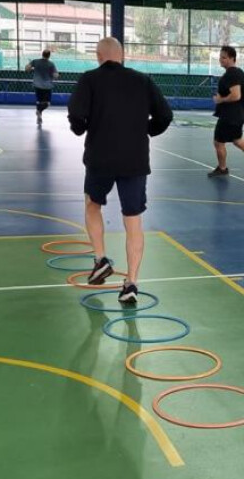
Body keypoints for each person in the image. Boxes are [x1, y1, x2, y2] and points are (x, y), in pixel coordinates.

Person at [68, 37, 173, 302]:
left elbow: (76, 116)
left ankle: (100, 258)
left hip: (100, 158)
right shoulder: (143, 80)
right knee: (133, 219)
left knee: (92, 204)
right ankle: (131, 283)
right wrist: (145, 130)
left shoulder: (89, 79)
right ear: (122, 55)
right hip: (134, 160)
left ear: (98, 56)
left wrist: (82, 128)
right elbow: (165, 115)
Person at [207, 46, 244, 181]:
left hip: (230, 116)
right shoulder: (237, 72)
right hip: (236, 115)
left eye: (224, 57)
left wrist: (220, 99)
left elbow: (236, 95)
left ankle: (222, 169)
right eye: (220, 57)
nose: (220, 59)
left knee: (218, 142)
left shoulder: (232, 74)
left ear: (232, 58)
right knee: (237, 140)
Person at [26, 49, 59, 126]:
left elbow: (27, 69)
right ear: (49, 55)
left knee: (39, 101)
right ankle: (39, 111)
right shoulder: (51, 64)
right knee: (47, 103)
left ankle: (39, 114)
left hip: (37, 85)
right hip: (47, 86)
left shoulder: (35, 61)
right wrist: (55, 76)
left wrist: (31, 68)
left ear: (42, 54)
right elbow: (56, 75)